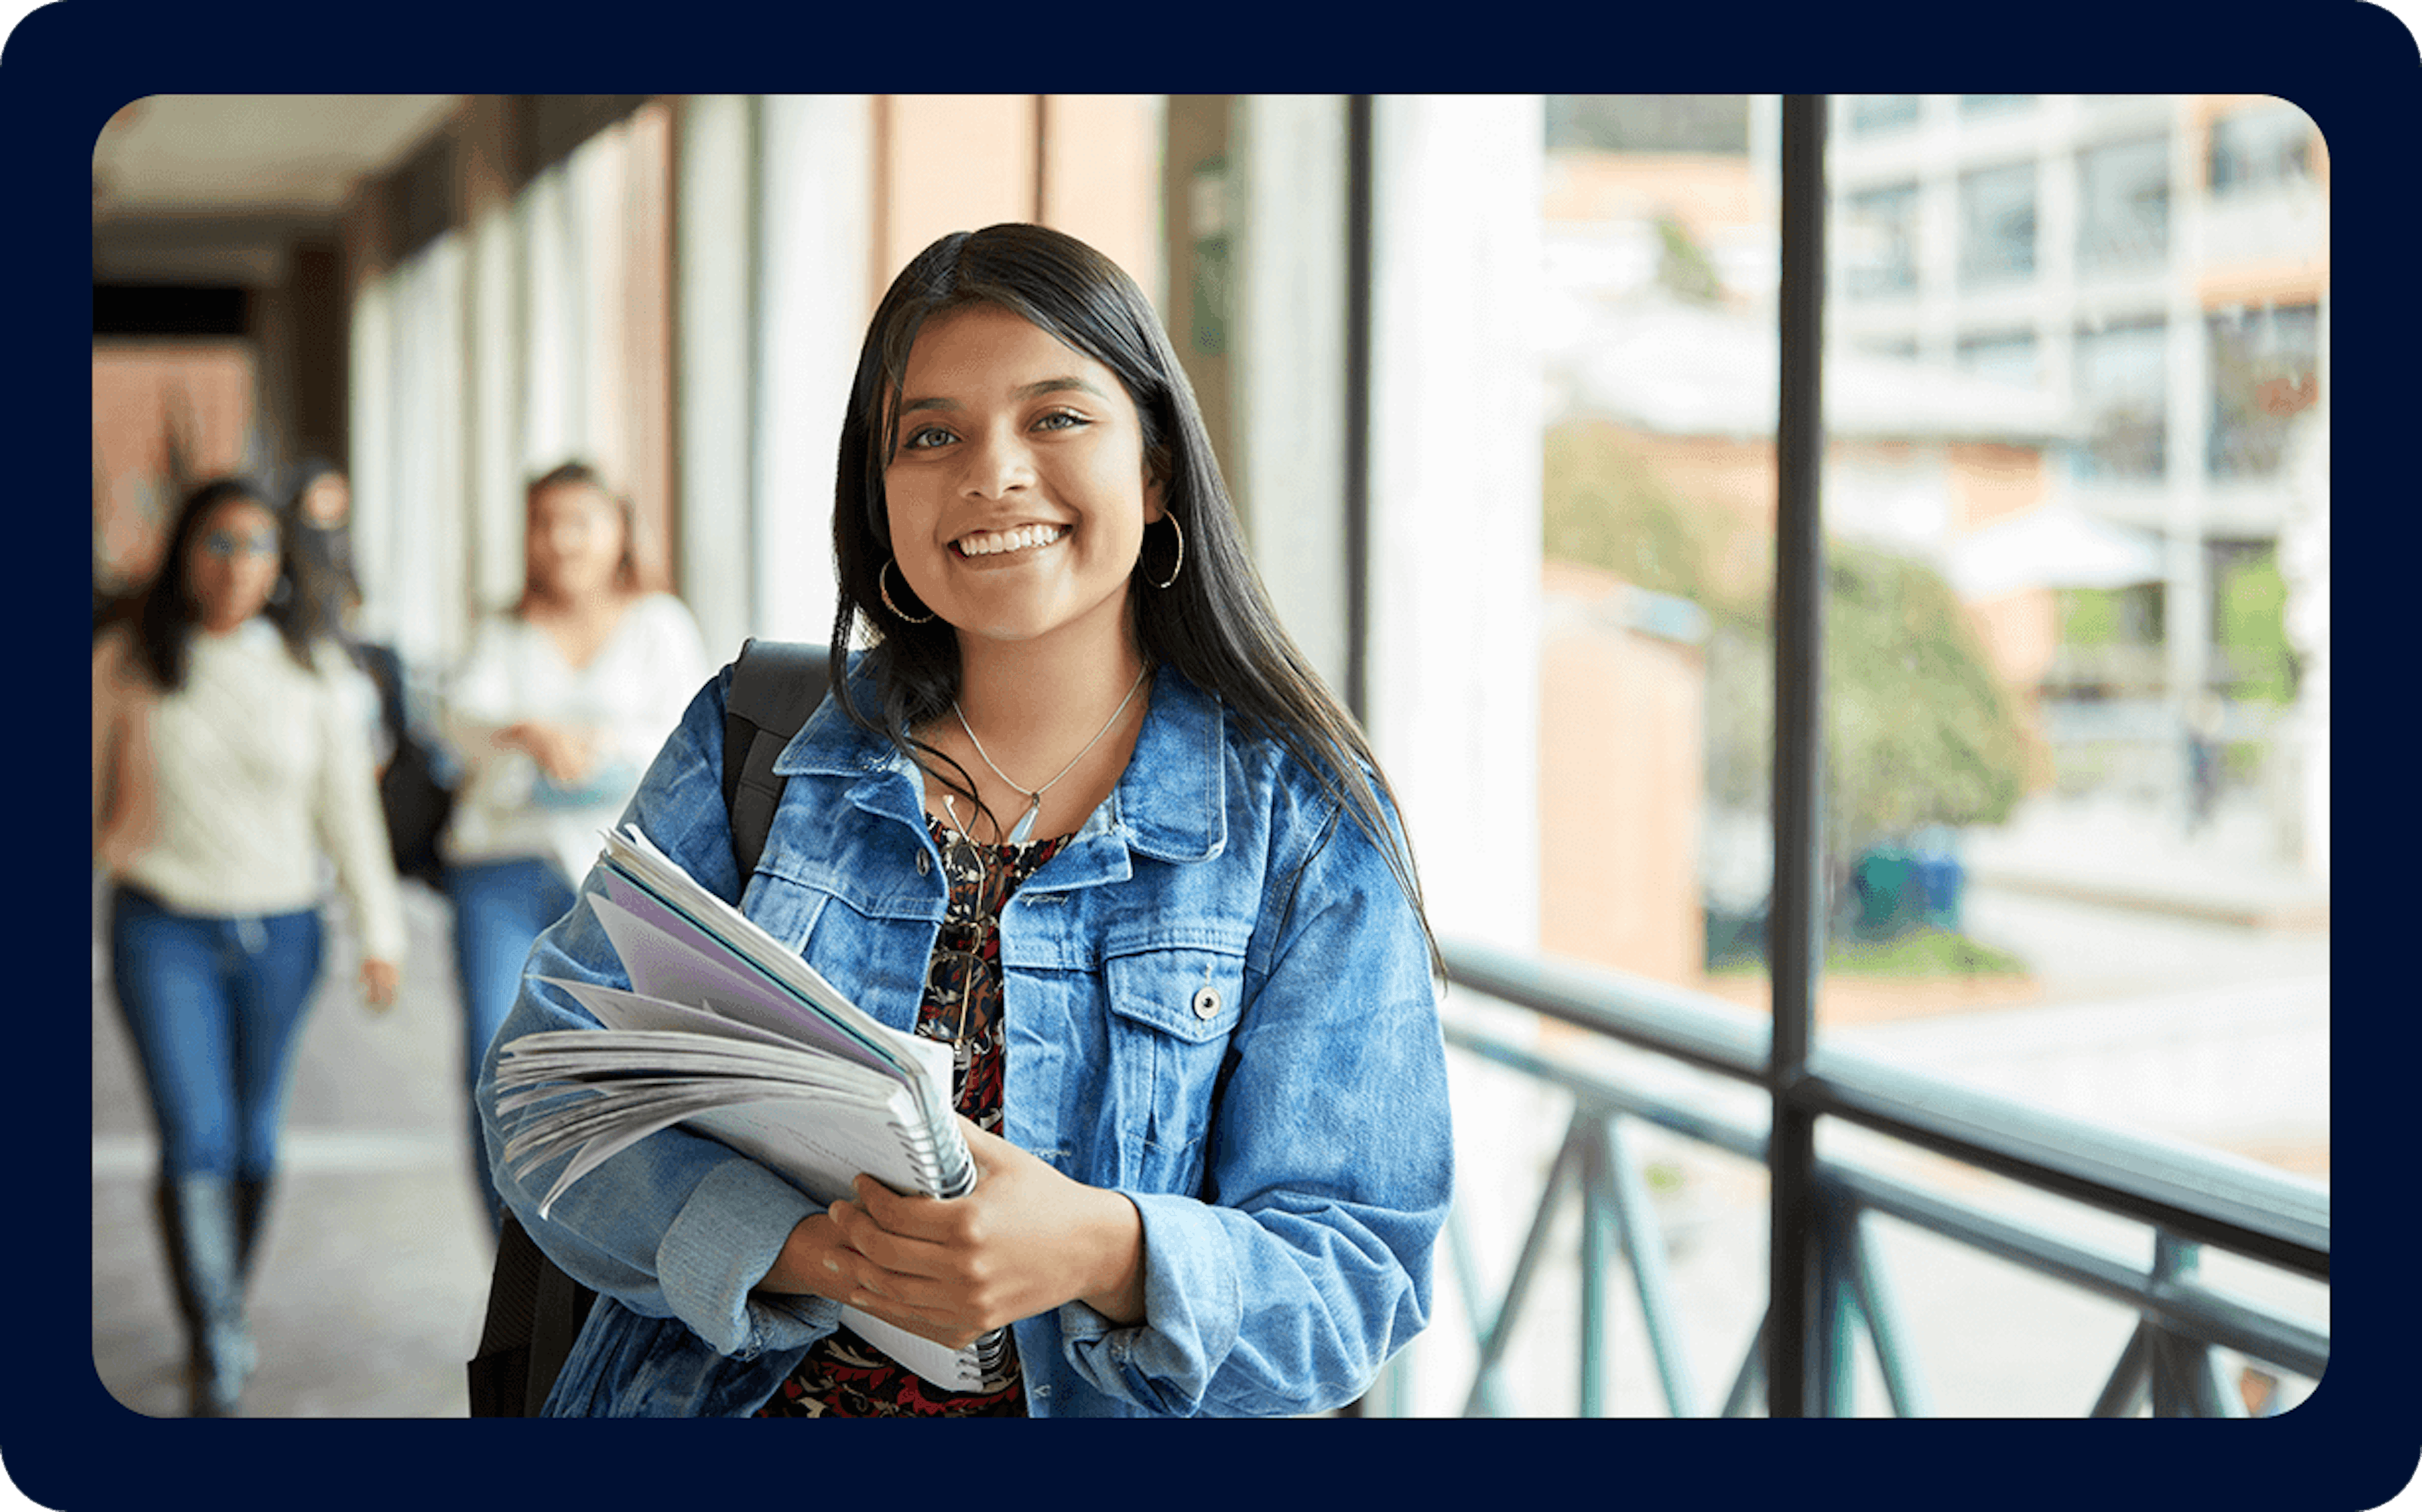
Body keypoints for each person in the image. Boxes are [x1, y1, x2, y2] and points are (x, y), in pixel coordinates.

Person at [474, 223, 1453, 1418]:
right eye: (930, 435)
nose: (991, 473)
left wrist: (1103, 1248)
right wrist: (808, 1250)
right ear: (879, 501)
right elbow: (545, 1085)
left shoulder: (1301, 822)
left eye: (1057, 417)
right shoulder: (760, 740)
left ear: (1155, 471)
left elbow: (1359, 1271)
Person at [92, 476, 407, 1416]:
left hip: (284, 933)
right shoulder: (127, 664)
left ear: (281, 566)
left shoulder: (314, 675)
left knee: (256, 1145)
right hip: (162, 926)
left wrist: (379, 931)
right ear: (185, 554)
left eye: (256, 547)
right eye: (217, 544)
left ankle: (220, 1301)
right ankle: (218, 1331)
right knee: (198, 1134)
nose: (235, 566)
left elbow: (348, 812)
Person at [440, 462, 708, 1232]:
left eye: (582, 521)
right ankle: (512, 1258)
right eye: (545, 522)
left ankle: (590, 1253)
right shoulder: (502, 629)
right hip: (500, 872)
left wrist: (588, 741)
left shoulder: (660, 625)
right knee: (495, 1065)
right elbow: (458, 725)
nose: (562, 540)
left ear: (620, 529)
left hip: (617, 875)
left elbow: (690, 739)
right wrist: (527, 730)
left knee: (614, 1070)